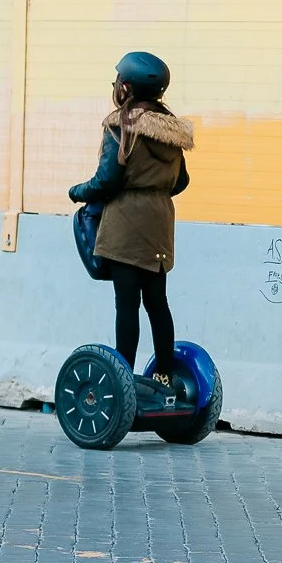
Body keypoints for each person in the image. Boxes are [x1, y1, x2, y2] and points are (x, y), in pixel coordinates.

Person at [69, 52, 194, 386]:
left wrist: (79, 191)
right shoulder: (172, 131)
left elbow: (107, 179)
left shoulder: (120, 125)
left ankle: (123, 376)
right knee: (157, 302)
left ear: (125, 87)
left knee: (126, 305)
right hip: (159, 224)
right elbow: (181, 182)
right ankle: (165, 375)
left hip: (125, 223)